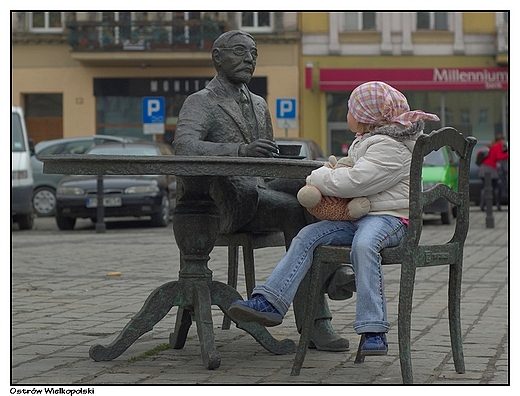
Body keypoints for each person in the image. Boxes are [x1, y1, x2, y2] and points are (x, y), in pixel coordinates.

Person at [229, 81, 440, 356]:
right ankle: (270, 300)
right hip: (363, 216)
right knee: (308, 235)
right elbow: (354, 171)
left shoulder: (391, 146)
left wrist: (318, 176)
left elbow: (354, 182)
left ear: (367, 116)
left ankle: (373, 329)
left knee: (365, 245)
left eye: (351, 109)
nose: (347, 114)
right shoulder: (368, 141)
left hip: (391, 220)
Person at [173, 30, 352, 352]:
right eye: (240, 51)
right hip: (226, 200)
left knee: (315, 184)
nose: (249, 59)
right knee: (294, 209)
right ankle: (319, 316)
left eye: (254, 53)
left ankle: (336, 269)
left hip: (261, 188)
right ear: (217, 57)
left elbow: (266, 162)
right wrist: (240, 150)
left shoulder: (258, 103)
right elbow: (184, 145)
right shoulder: (200, 102)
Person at [478, 134, 508, 211]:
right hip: (490, 168)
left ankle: (482, 205)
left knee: (484, 187)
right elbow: (499, 157)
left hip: (483, 168)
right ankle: (497, 204)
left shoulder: (492, 145)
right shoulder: (499, 146)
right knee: (495, 187)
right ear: (501, 140)